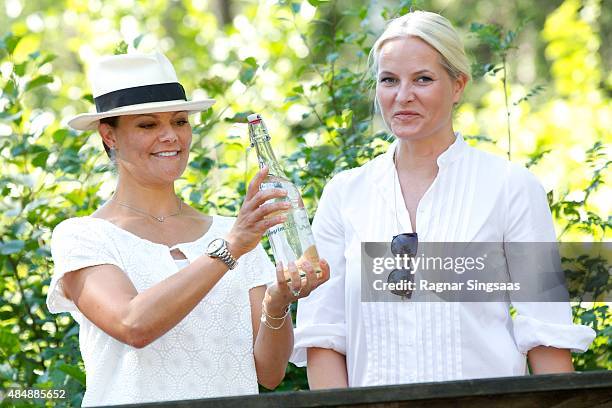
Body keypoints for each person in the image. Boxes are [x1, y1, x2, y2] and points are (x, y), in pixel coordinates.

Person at [291, 11, 595, 388]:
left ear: (458, 86)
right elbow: (324, 335)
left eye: (423, 79)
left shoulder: (510, 187)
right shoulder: (344, 194)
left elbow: (547, 333)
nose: (403, 96)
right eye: (389, 80)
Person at [46, 51, 329, 406]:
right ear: (109, 136)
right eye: (148, 125)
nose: (170, 137)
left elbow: (269, 374)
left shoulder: (233, 230)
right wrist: (231, 247)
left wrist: (277, 302)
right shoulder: (83, 236)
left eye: (179, 121)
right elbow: (133, 324)